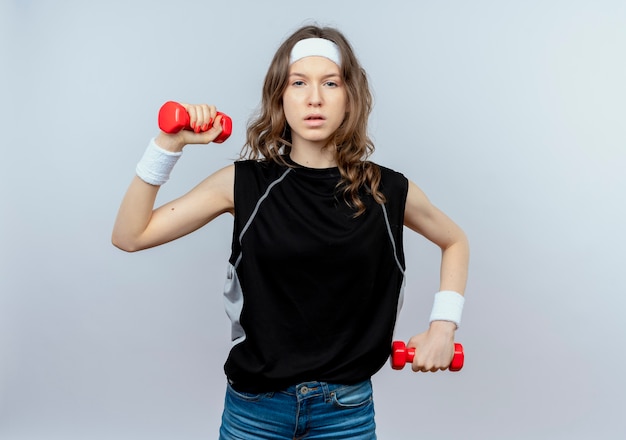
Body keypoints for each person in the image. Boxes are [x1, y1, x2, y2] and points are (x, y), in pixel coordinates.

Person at [112, 24, 469, 440]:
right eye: (298, 82)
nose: (314, 98)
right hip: (255, 411)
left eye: (330, 83)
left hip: (346, 413)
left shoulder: (385, 189)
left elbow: (455, 240)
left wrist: (444, 325)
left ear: (350, 96)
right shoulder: (243, 184)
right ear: (280, 96)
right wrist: (167, 145)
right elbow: (130, 235)